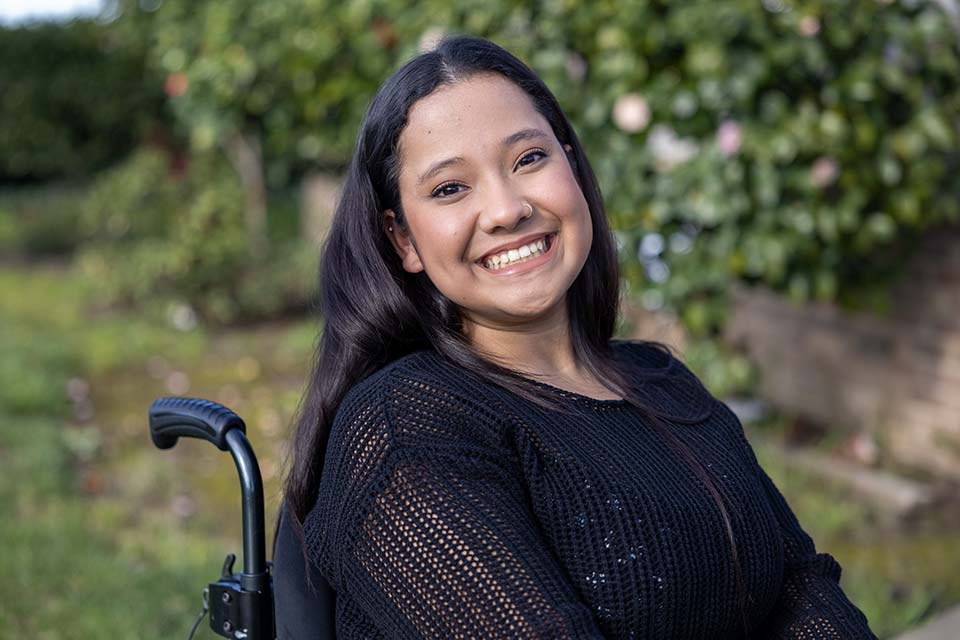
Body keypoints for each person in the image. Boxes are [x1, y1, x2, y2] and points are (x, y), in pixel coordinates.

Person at [278, 35, 877, 639]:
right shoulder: (407, 427)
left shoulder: (661, 381)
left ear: (572, 165)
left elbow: (800, 587)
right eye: (450, 188)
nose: (507, 209)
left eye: (529, 159)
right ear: (403, 239)